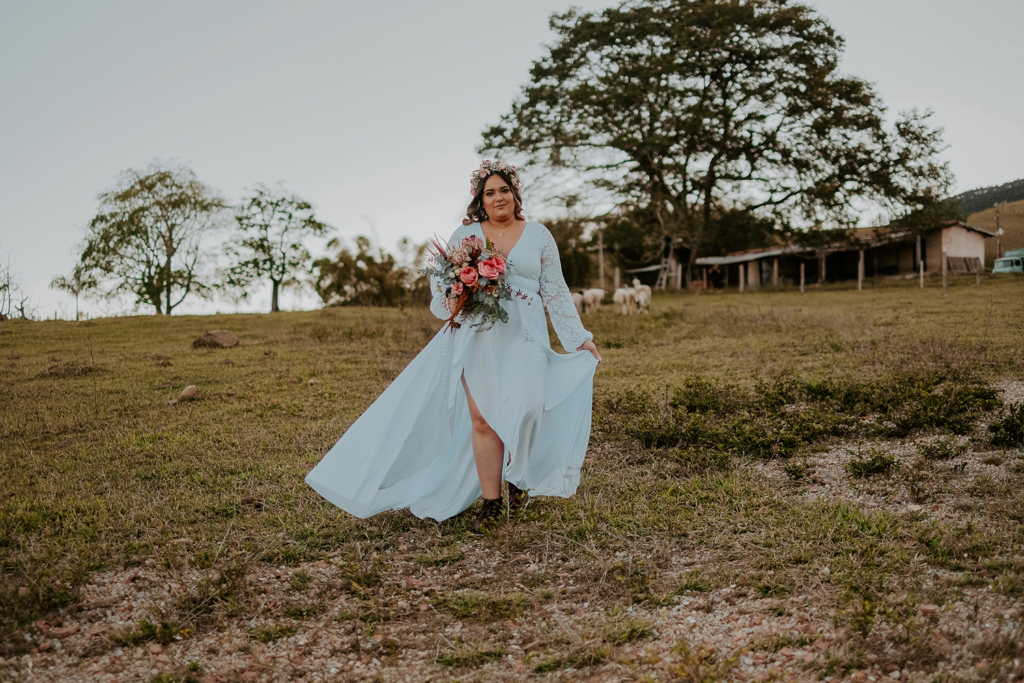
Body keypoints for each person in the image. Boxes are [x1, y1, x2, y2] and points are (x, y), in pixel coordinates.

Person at [305, 161, 602, 532]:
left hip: (526, 335)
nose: (498, 198)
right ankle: (492, 504)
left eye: (504, 190)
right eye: (489, 192)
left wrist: (579, 338)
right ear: (480, 198)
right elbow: (441, 284)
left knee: (528, 406)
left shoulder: (539, 235)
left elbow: (555, 289)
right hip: (476, 334)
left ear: (516, 194)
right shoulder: (466, 235)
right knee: (483, 419)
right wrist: (454, 297)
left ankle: (518, 481)